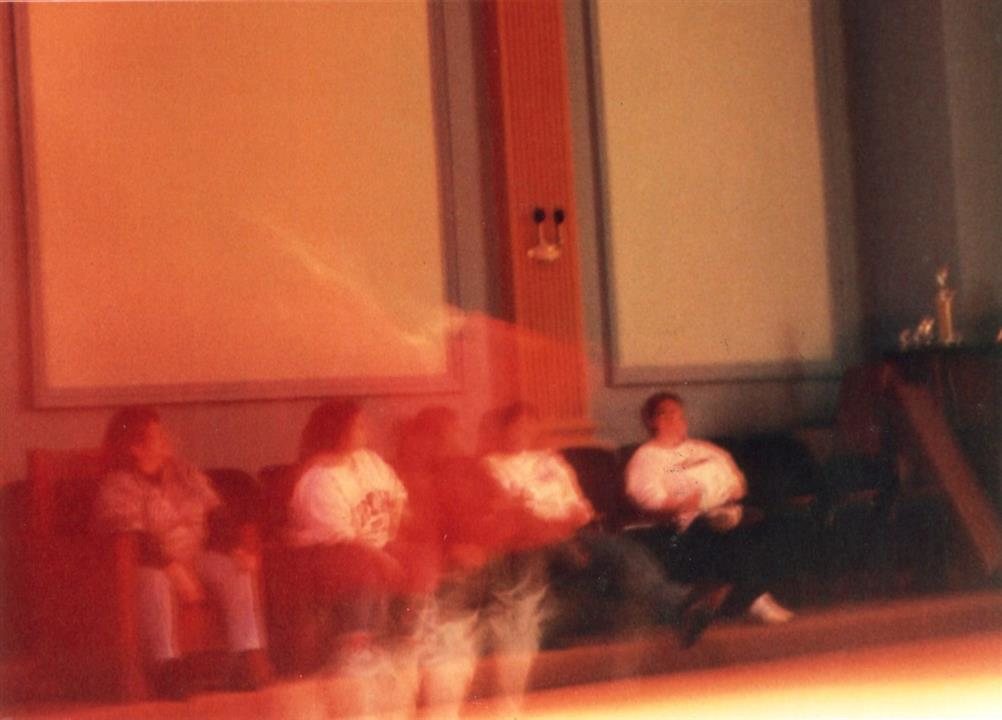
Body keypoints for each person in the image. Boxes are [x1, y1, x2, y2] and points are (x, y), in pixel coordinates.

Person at [92, 406, 270, 699]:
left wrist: (235, 549)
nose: (167, 441)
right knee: (155, 581)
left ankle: (246, 657)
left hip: (194, 554)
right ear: (136, 447)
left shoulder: (184, 473)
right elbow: (135, 539)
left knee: (235, 570)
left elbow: (215, 513)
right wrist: (174, 570)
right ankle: (167, 667)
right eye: (158, 437)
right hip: (151, 564)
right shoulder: (118, 485)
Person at [625, 392, 794, 634]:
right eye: (666, 414)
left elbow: (735, 479)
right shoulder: (646, 457)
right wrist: (680, 503)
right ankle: (755, 599)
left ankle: (750, 597)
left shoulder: (701, 449)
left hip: (723, 509)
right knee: (724, 531)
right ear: (652, 421)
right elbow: (647, 499)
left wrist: (731, 489)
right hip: (682, 524)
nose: (674, 419)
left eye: (678, 414)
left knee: (762, 514)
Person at [286, 398, 429, 673]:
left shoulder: (368, 461)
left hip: (376, 545)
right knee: (362, 564)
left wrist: (397, 530)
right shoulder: (319, 479)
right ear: (339, 432)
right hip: (331, 554)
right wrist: (382, 557)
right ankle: (356, 648)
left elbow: (397, 494)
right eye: (360, 426)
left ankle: (406, 644)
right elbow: (341, 537)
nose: (368, 431)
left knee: (418, 559)